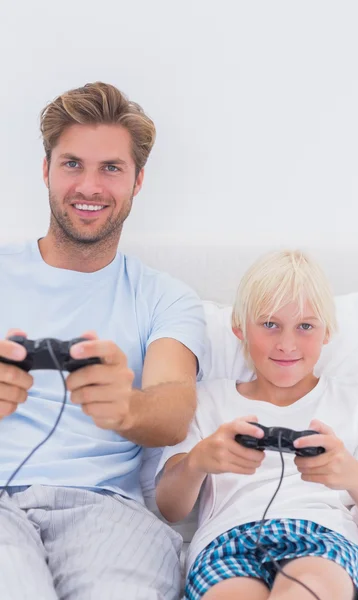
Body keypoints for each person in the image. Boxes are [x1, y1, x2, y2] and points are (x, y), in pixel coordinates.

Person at [0, 81, 206, 600]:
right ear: (46, 170)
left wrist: (127, 408)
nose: (89, 186)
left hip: (106, 511)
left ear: (138, 181)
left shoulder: (166, 298)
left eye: (111, 168)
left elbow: (175, 409)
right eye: (72, 164)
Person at [156, 250, 358, 600]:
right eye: (269, 324)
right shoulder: (207, 399)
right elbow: (169, 508)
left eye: (305, 326)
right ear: (239, 327)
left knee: (309, 587)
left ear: (327, 331)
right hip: (229, 542)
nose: (287, 344)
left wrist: (353, 476)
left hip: (322, 538)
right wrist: (198, 461)